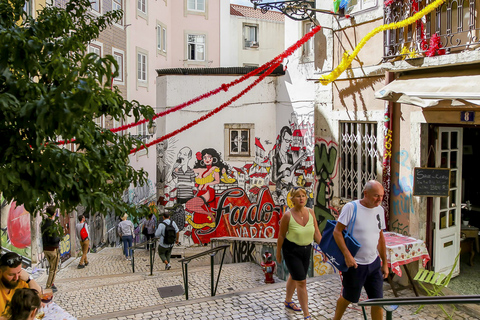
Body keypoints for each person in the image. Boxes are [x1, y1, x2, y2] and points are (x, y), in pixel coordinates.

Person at [332, 180, 389, 320]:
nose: (379, 199)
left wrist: (385, 263)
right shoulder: (351, 208)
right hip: (355, 264)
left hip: (374, 263)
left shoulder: (380, 210)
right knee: (348, 297)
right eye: (376, 195)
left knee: (377, 301)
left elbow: (380, 236)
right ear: (365, 193)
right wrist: (347, 255)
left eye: (381, 196)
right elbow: (337, 232)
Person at [276, 188, 321, 320]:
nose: (301, 198)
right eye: (297, 196)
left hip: (307, 250)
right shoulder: (287, 216)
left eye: (303, 196)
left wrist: (324, 249)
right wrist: (278, 253)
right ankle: (307, 314)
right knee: (301, 281)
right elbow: (281, 236)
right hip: (291, 250)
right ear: (292, 200)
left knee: (295, 276)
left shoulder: (311, 212)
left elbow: (317, 233)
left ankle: (288, 301)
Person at [40, 206, 61, 292]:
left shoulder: (43, 224)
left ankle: (51, 283)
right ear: (54, 214)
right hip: (53, 249)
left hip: (45, 249)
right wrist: (59, 237)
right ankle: (49, 286)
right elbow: (54, 239)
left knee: (51, 267)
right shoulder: (53, 225)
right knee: (53, 269)